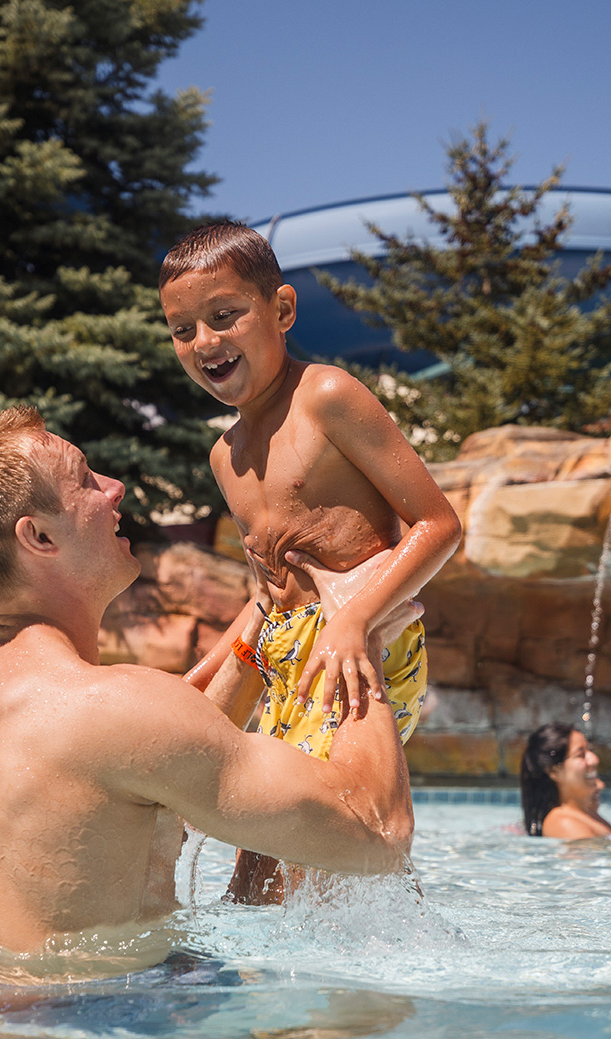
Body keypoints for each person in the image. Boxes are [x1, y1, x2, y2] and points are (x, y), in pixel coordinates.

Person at [0, 406, 417, 974]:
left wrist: (263, 620)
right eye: (85, 479)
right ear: (39, 536)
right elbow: (377, 832)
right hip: (105, 1019)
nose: (114, 488)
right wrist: (357, 634)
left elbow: (150, 765)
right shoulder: (110, 708)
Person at [159, 222, 462, 903]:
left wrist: (355, 621)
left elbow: (438, 524)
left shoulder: (326, 397)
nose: (204, 341)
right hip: (288, 656)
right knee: (257, 874)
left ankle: (390, 949)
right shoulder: (225, 457)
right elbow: (268, 595)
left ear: (283, 310)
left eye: (224, 316)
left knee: (325, 838)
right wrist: (198, 678)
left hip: (359, 644)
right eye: (182, 329)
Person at [520, 723, 611, 840]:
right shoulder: (563, 823)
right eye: (581, 755)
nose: (594, 759)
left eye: (590, 750)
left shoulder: (584, 814)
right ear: (554, 771)